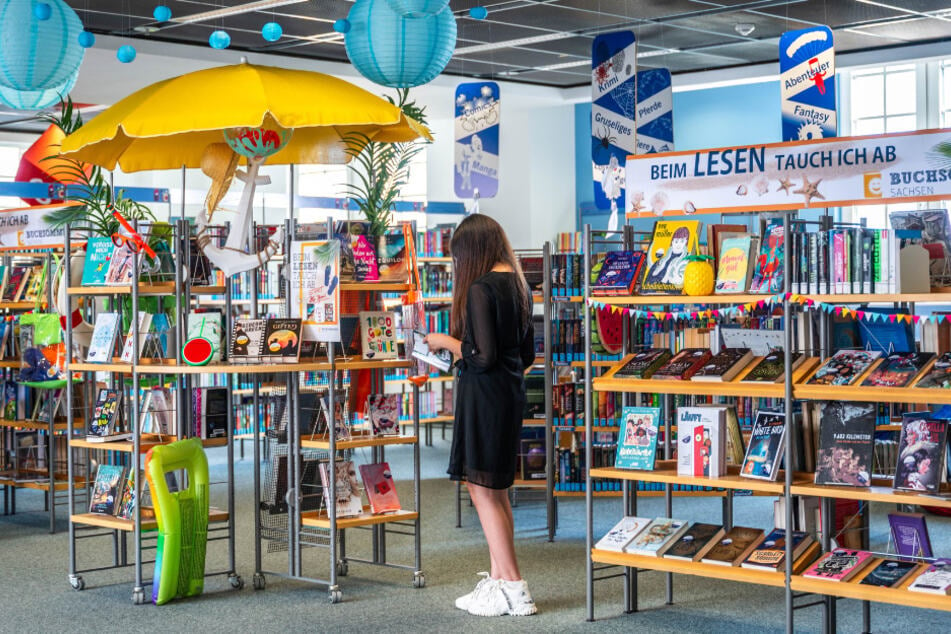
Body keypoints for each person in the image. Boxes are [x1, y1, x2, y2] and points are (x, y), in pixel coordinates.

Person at [424, 214, 537, 618]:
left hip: (484, 397)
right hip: (511, 394)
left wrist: (446, 342)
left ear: (471, 252)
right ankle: (498, 583)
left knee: (481, 490)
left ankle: (513, 585)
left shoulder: (480, 288)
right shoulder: (520, 284)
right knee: (497, 488)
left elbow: (481, 355)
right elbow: (526, 356)